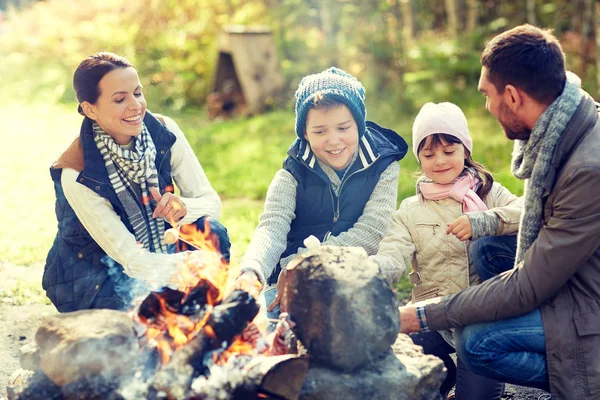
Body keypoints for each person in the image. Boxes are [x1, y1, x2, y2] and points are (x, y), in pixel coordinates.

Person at [398, 24, 600, 400]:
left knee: (476, 341)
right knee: (488, 248)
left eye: (487, 96)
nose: (487, 108)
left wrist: (420, 316)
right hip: (578, 276)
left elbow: (527, 285)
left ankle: (587, 376)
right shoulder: (568, 130)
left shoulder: (587, 170)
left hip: (590, 304)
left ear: (511, 96)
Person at [43, 52, 230, 313]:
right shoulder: (76, 172)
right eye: (120, 99)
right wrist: (189, 266)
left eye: (138, 93)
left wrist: (184, 208)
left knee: (212, 233)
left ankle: (200, 322)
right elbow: (130, 258)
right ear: (90, 109)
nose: (136, 106)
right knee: (140, 325)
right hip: (97, 275)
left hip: (158, 253)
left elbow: (212, 204)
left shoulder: (164, 130)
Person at [371, 102, 522, 399]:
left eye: (449, 151)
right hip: (434, 320)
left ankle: (477, 377)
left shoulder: (488, 193)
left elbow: (528, 209)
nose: (439, 161)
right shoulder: (410, 211)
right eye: (428, 154)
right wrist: (368, 272)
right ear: (420, 158)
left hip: (480, 321)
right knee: (395, 376)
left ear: (465, 150)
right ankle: (442, 373)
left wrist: (483, 221)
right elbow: (393, 254)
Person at [233, 67, 408, 318]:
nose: (334, 140)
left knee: (354, 333)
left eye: (343, 128)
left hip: (352, 274)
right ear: (305, 133)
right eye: (320, 131)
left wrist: (307, 262)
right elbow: (272, 226)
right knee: (269, 329)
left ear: (358, 125)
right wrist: (252, 270)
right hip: (293, 280)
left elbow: (372, 232)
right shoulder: (293, 172)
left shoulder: (383, 166)